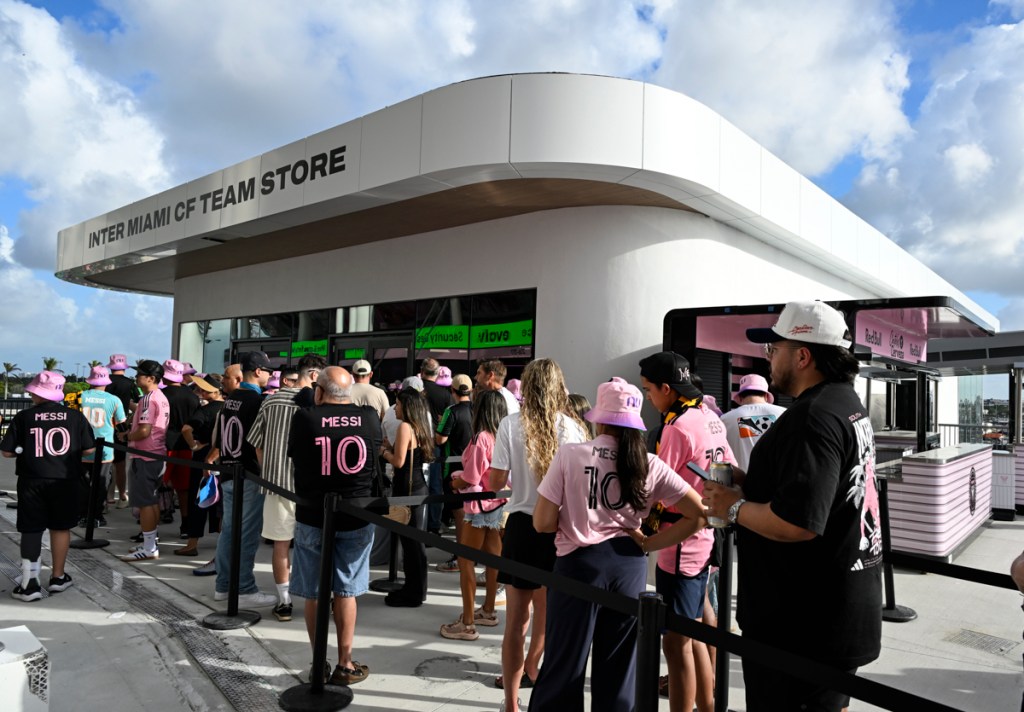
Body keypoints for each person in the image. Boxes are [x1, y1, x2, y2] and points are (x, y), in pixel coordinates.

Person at [704, 300, 883, 712]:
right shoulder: (845, 404)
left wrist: (732, 507)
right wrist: (754, 483)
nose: (768, 358)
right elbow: (821, 491)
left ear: (802, 355)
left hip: (800, 629)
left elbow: (797, 521)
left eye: (774, 349)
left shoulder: (813, 416)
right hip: (828, 617)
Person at [530, 377, 707, 711]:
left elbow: (542, 522)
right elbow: (698, 514)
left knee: (564, 662)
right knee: (620, 666)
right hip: (628, 565)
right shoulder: (649, 463)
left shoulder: (571, 455)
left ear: (598, 418)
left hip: (578, 565)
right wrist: (651, 542)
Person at [639, 351, 736, 712]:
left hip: (682, 543)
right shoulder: (709, 416)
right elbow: (728, 470)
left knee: (676, 645)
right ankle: (708, 706)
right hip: (708, 534)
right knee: (696, 631)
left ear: (667, 388)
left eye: (649, 390)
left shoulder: (675, 427)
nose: (648, 396)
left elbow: (655, 486)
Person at [489, 358, 588, 712]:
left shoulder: (510, 424)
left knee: (516, 620)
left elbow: (495, 482)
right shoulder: (572, 429)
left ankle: (511, 702)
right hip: (558, 527)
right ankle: (535, 668)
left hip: (521, 525)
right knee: (548, 614)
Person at [288, 366, 380, 686]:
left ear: (319, 391)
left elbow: (295, 457)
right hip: (356, 515)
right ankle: (345, 662)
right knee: (346, 590)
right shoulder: (369, 417)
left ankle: (318, 664)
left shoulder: (305, 418)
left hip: (313, 516)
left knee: (315, 593)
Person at [2, 371, 95, 600]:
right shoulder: (75, 417)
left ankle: (30, 583)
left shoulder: (24, 417)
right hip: (65, 479)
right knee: (60, 527)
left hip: (32, 479)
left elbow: (6, 452)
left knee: (31, 529)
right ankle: (57, 577)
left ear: (37, 393)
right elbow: (89, 449)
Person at [248, 354, 326, 622]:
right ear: (315, 376)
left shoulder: (271, 401)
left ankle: (284, 601)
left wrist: (267, 470)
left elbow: (256, 443)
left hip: (277, 484)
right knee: (313, 545)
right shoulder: (320, 403)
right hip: (311, 489)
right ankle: (315, 599)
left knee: (281, 545)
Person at [206, 351, 277, 608]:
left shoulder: (230, 399)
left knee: (229, 531)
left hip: (228, 470)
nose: (270, 375)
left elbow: (216, 439)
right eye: (268, 371)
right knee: (246, 533)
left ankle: (224, 585)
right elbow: (260, 444)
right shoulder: (258, 402)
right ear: (258, 371)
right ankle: (244, 588)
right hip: (248, 473)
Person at [440, 389, 508, 641]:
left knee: (466, 561)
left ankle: (468, 623)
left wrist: (455, 482)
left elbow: (471, 477)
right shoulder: (504, 436)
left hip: (477, 505)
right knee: (493, 559)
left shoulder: (481, 438)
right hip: (496, 503)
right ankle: (488, 610)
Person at [380, 388, 434, 607]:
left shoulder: (405, 427)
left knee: (410, 542)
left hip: (407, 489)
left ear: (407, 406)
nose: (395, 408)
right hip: (418, 486)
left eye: (398, 404)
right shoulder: (420, 426)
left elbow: (399, 461)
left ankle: (412, 592)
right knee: (414, 542)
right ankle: (417, 588)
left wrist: (383, 452)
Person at [118, 359, 171, 562]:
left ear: (151, 378)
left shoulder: (148, 399)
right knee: (153, 500)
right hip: (157, 453)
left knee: (145, 502)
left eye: (140, 374)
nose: (136, 377)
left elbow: (143, 431)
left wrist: (126, 437)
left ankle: (149, 547)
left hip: (145, 455)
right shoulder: (161, 397)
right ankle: (150, 541)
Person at [178, 374, 225, 557]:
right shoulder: (228, 407)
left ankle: (192, 543)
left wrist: (193, 445)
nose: (200, 391)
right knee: (220, 501)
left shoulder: (205, 410)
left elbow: (186, 429)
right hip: (222, 458)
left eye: (203, 389)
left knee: (199, 500)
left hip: (202, 457)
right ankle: (223, 541)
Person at [434, 374, 475, 572]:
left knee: (460, 515)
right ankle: (471, 554)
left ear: (453, 391)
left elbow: (440, 440)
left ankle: (461, 557)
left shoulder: (451, 411)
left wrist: (440, 424)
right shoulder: (478, 409)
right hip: (476, 468)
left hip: (454, 469)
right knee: (472, 514)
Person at [77, 366, 126, 529]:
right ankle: (96, 516)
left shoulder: (79, 397)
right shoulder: (114, 400)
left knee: (83, 483)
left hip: (80, 448)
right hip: (104, 449)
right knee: (100, 483)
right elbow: (121, 424)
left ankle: (82, 514)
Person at [161, 359, 200, 533]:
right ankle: (185, 523)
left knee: (160, 484)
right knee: (184, 488)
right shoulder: (192, 396)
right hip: (186, 444)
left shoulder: (160, 395)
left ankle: (153, 524)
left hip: (164, 443)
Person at [718, 373, 787, 472]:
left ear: (740, 398)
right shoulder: (784, 413)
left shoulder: (725, 419)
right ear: (766, 396)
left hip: (743, 482)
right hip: (779, 480)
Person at [420, 358, 454, 536]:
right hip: (435, 444)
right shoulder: (444, 395)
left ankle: (418, 522)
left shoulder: (416, 391)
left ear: (422, 371)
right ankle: (433, 525)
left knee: (417, 484)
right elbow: (449, 421)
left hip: (417, 442)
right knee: (434, 485)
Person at [105, 353, 135, 508]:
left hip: (102, 425)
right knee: (120, 463)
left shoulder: (104, 381)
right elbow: (136, 401)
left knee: (103, 463)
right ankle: (122, 495)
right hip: (120, 425)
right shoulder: (130, 383)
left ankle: (105, 496)